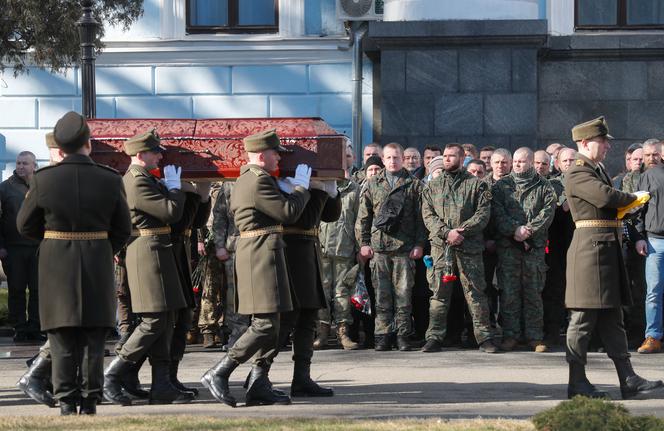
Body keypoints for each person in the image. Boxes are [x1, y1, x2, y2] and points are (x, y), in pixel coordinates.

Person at [17, 111, 132, 415]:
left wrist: (52, 242)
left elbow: (25, 225)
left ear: (60, 148)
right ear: (88, 145)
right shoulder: (109, 179)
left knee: (61, 336)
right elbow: (123, 228)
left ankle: (67, 402)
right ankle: (90, 401)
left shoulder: (43, 179)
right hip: (96, 261)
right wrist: (103, 247)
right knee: (94, 338)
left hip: (56, 265)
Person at [200, 129, 311, 407]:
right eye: (275, 154)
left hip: (265, 253)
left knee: (276, 323)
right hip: (260, 255)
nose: (279, 160)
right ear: (262, 155)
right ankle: (219, 371)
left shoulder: (255, 179)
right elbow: (288, 213)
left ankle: (259, 383)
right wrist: (300, 189)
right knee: (264, 324)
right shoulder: (257, 181)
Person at [565, 116, 663, 399]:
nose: (607, 146)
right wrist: (632, 197)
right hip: (590, 252)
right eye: (602, 141)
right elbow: (605, 197)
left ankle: (628, 378)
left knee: (612, 318)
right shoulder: (578, 171)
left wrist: (628, 205)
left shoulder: (596, 169)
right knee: (582, 319)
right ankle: (577, 382)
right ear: (585, 143)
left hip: (604, 249)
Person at [104, 129, 194, 406]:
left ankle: (162, 384)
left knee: (165, 321)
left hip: (157, 251)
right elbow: (169, 212)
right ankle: (113, 375)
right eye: (156, 151)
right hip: (147, 253)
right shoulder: (135, 181)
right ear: (141, 154)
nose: (161, 155)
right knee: (154, 320)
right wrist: (176, 189)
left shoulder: (143, 179)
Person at [421, 144, 500, 354]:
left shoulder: (477, 185)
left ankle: (484, 338)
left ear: (462, 157)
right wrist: (447, 233)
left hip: (469, 248)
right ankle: (434, 337)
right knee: (439, 294)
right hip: (441, 248)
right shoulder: (432, 186)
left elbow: (483, 215)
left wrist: (461, 232)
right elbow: (428, 215)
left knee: (476, 294)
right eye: (444, 156)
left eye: (451, 156)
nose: (447, 159)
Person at [356, 142, 426, 351]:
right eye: (389, 158)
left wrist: (419, 244)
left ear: (403, 159)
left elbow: (422, 219)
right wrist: (364, 243)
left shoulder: (414, 185)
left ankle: (403, 335)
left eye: (396, 157)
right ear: (383, 159)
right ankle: (383, 335)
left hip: (405, 248)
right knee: (381, 295)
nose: (393, 161)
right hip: (379, 248)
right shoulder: (372, 184)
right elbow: (363, 217)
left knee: (404, 296)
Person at [276, 177, 341, 397]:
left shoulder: (307, 181)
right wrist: (318, 190)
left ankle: (301, 378)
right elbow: (304, 219)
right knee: (287, 319)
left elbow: (331, 216)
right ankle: (258, 373)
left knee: (308, 318)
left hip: (309, 251)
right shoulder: (281, 183)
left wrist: (331, 191)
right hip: (290, 251)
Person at [15, 133, 64, 408]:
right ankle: (38, 372)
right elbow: (26, 223)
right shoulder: (44, 180)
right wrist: (50, 241)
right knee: (65, 323)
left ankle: (46, 373)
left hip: (70, 255)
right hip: (55, 256)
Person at [492, 147, 556, 352]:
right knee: (509, 292)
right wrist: (514, 230)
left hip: (534, 248)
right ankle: (511, 335)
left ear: (531, 162)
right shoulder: (502, 186)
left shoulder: (544, 186)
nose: (518, 165)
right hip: (509, 247)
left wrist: (529, 230)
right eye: (516, 161)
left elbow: (547, 213)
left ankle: (535, 337)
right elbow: (497, 213)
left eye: (523, 161)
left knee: (533, 293)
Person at [316, 146, 361, 350]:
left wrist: (360, 246)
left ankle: (343, 332)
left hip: (345, 247)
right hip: (322, 247)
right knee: (322, 291)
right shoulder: (320, 185)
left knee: (342, 291)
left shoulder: (356, 188)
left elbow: (361, 221)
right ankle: (322, 333)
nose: (343, 161)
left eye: (347, 157)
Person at [0, 151, 41, 342]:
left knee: (37, 289)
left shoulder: (42, 187)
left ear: (34, 166)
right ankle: (19, 328)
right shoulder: (4, 188)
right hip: (14, 247)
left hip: (38, 247)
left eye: (25, 163)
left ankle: (35, 326)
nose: (21, 166)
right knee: (16, 289)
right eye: (18, 163)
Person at [543, 147, 577, 346]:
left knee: (579, 292)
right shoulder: (551, 185)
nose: (569, 163)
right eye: (565, 161)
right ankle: (552, 332)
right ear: (558, 163)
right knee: (554, 290)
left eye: (573, 160)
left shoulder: (588, 182)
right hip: (556, 245)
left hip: (580, 244)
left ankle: (579, 335)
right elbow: (554, 208)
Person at [634, 140, 664, 354]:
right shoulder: (644, 178)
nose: (651, 159)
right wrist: (638, 237)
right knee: (653, 292)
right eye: (648, 155)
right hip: (655, 241)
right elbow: (635, 211)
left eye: (655, 154)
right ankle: (653, 336)